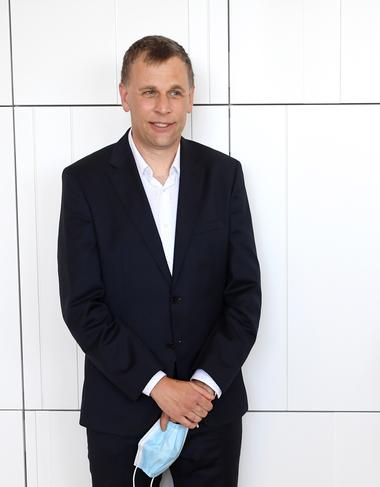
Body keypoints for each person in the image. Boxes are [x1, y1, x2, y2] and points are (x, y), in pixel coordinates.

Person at [57, 35, 261, 487]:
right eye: (149, 92)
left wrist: (203, 387)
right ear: (125, 96)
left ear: (191, 98)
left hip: (211, 411)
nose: (163, 107)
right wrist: (158, 386)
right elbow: (82, 305)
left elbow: (244, 295)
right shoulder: (84, 183)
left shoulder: (225, 176)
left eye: (175, 92)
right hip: (120, 411)